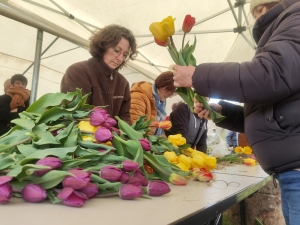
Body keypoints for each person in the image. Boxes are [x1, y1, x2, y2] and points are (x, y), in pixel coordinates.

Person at [172, 0, 300, 224]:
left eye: (260, 10)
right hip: (291, 171)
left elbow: (268, 76)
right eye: (255, 12)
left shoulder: (296, 17)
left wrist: (198, 76)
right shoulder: (278, 31)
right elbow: (268, 113)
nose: (256, 17)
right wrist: (221, 112)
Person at [60, 24, 138, 124]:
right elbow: (76, 111)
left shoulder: (122, 83)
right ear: (103, 46)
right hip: (84, 136)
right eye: (116, 51)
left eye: (125, 55)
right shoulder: (78, 71)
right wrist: (109, 129)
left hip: (111, 138)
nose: (120, 58)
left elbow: (124, 116)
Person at [130, 71, 176, 136]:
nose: (171, 96)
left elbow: (159, 131)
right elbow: (135, 125)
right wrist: (148, 144)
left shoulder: (160, 102)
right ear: (163, 85)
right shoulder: (139, 96)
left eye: (174, 94)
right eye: (171, 91)